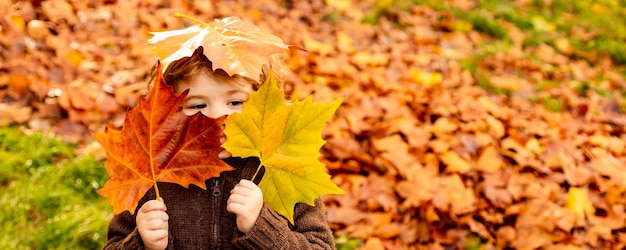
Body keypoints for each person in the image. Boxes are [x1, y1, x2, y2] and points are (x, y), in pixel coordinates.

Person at [102, 46, 336, 249]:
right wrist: (141, 243)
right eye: (198, 104)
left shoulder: (285, 168)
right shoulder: (152, 175)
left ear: (267, 107)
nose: (216, 117)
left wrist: (263, 226)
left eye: (235, 102)